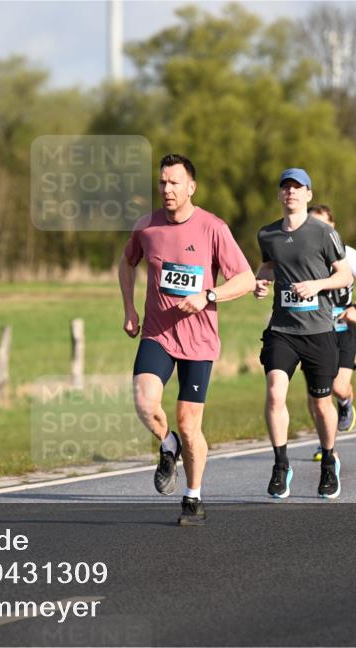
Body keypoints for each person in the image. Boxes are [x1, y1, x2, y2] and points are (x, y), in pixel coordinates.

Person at [119, 154, 254, 526]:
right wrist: (130, 308)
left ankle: (193, 497)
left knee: (189, 423)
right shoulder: (146, 227)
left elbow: (243, 278)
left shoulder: (213, 227)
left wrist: (209, 296)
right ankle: (167, 444)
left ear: (191, 187)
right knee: (145, 403)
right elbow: (126, 262)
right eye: (162, 182)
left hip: (199, 341)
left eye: (174, 183)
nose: (167, 189)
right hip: (157, 334)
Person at [254, 168, 351, 499]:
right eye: (286, 187)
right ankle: (281, 465)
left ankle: (328, 462)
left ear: (308, 194)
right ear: (280, 195)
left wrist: (317, 285)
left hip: (319, 330)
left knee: (323, 402)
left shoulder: (323, 233)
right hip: (282, 330)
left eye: (298, 188)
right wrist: (260, 281)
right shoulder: (267, 234)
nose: (291, 192)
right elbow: (268, 265)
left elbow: (345, 276)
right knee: (274, 392)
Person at [307, 205, 356, 461]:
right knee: (316, 392)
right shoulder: (303, 254)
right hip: (314, 329)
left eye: (322, 226)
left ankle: (346, 401)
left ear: (332, 227)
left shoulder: (347, 254)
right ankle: (325, 445)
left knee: (338, 387)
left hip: (342, 327)